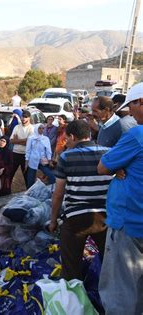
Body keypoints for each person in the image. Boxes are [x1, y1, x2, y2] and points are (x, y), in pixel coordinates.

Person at [97, 82, 143, 314]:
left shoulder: (136, 135)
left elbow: (102, 167)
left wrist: (118, 166)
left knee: (120, 293)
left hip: (129, 223)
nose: (129, 113)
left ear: (140, 102)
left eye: (131, 107)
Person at [48, 120, 112, 281]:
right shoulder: (108, 152)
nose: (66, 142)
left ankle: (74, 295)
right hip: (106, 218)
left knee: (71, 265)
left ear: (73, 136)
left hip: (76, 217)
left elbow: (58, 194)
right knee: (110, 263)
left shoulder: (66, 157)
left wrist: (53, 220)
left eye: (67, 138)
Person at [25, 124, 55, 188]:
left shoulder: (45, 139)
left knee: (51, 176)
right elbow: (28, 150)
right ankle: (29, 193)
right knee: (30, 179)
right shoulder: (31, 138)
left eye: (43, 128)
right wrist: (26, 162)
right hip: (33, 161)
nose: (41, 130)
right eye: (39, 128)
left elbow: (48, 151)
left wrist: (49, 161)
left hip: (43, 161)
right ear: (36, 129)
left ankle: (49, 190)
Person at [10, 110, 34, 187]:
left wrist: (17, 140)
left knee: (27, 177)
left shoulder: (32, 128)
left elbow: (30, 143)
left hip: (26, 155)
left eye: (25, 117)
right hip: (15, 153)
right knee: (10, 174)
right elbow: (11, 141)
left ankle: (29, 194)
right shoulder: (17, 127)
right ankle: (5, 192)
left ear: (29, 118)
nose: (23, 119)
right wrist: (24, 140)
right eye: (22, 117)